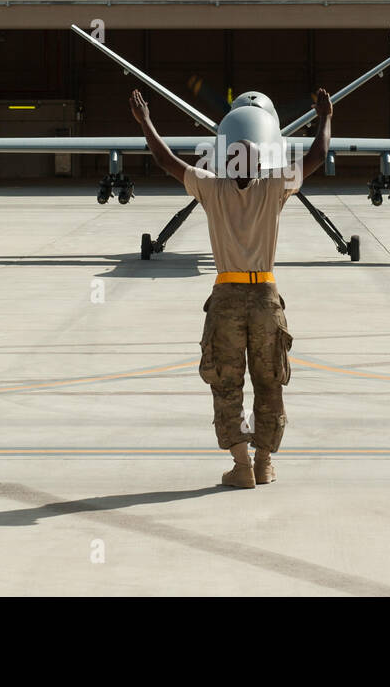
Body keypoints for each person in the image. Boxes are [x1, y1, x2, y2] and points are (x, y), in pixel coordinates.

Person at [130, 87, 333, 488]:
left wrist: (146, 122)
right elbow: (316, 157)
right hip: (265, 297)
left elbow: (164, 159)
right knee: (269, 380)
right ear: (259, 163)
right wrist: (324, 117)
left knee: (226, 382)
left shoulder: (211, 187)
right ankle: (264, 462)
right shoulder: (274, 187)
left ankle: (241, 466)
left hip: (225, 295)